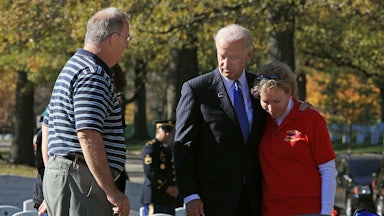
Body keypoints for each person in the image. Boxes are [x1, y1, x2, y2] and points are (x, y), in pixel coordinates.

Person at [41, 7, 131, 216]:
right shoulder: (93, 74)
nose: (127, 45)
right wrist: (112, 191)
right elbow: (87, 134)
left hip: (71, 176)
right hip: (82, 181)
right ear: (113, 39)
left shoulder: (74, 67)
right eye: (127, 38)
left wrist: (53, 174)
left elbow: (47, 127)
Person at [173, 23, 267, 216]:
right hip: (212, 200)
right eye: (221, 56)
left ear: (248, 55)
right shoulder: (197, 89)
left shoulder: (260, 88)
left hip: (254, 198)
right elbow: (183, 147)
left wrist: (301, 107)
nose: (225, 64)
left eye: (233, 57)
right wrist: (190, 195)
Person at [250, 61, 337, 216]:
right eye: (265, 102)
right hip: (272, 210)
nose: (271, 108)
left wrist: (326, 212)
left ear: (289, 92)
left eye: (277, 101)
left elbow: (328, 170)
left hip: (309, 210)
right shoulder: (260, 121)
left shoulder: (311, 119)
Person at [141, 120, 179, 216]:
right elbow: (150, 171)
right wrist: (166, 187)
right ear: (157, 131)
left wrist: (175, 187)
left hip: (168, 198)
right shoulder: (151, 147)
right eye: (165, 131)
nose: (168, 134)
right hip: (155, 195)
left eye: (169, 132)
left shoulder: (168, 149)